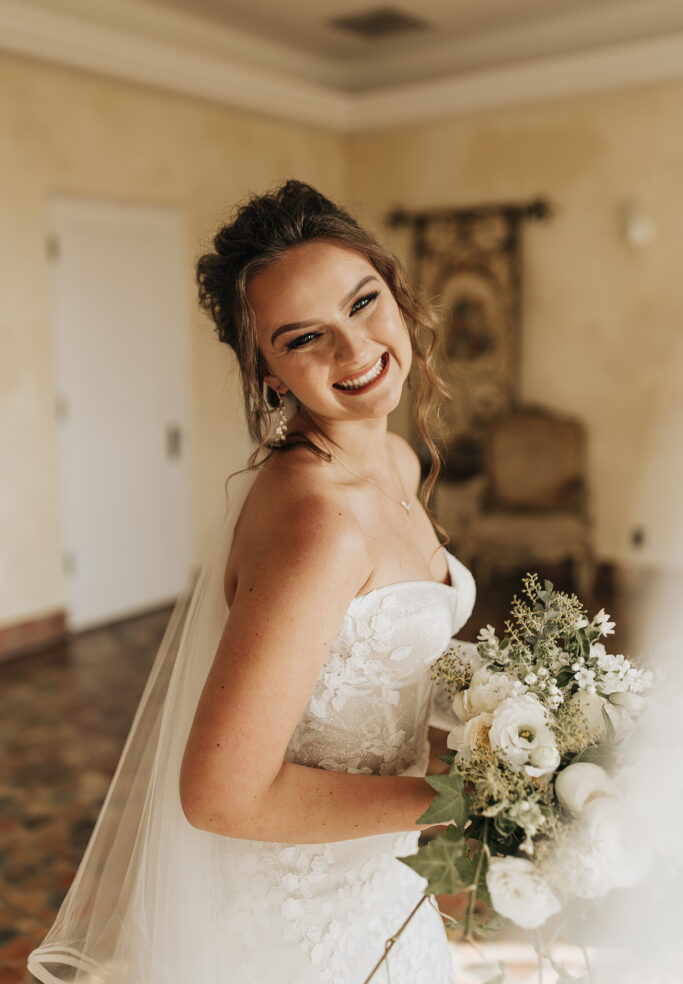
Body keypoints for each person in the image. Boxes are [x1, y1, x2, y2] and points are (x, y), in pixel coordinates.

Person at [28, 180, 475, 984]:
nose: (353, 351)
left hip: (375, 880)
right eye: (304, 337)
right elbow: (222, 796)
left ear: (398, 296)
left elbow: (382, 664)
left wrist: (507, 716)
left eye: (363, 302)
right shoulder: (317, 526)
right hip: (303, 927)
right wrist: (463, 799)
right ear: (267, 373)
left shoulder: (398, 461)